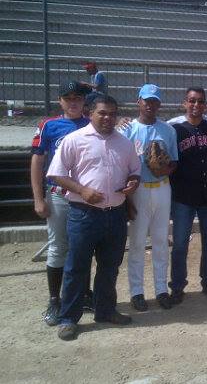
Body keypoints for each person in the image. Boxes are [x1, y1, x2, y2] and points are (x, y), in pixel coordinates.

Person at [46, 94, 141, 341]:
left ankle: (106, 310)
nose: (108, 118)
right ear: (90, 113)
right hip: (83, 215)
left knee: (110, 268)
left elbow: (135, 172)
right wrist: (82, 190)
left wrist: (132, 184)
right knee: (77, 267)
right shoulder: (74, 140)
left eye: (112, 113)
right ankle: (69, 318)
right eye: (102, 113)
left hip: (115, 214)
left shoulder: (124, 143)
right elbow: (56, 174)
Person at [31, 81, 91, 326]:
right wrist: (38, 198)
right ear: (60, 101)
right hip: (59, 194)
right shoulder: (49, 125)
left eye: (77, 97)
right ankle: (55, 299)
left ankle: (83, 294)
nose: (73, 102)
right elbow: (37, 161)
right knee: (58, 247)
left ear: (84, 100)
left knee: (85, 246)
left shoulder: (92, 122)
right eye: (68, 98)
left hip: (85, 195)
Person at [119, 84, 178, 311]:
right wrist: (127, 197)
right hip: (139, 188)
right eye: (146, 100)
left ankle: (161, 289)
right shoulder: (127, 129)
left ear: (159, 103)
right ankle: (137, 292)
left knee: (161, 241)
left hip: (162, 187)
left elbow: (174, 162)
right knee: (137, 242)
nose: (150, 104)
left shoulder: (168, 130)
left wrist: (165, 169)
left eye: (154, 101)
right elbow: (121, 165)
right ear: (138, 102)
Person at [169, 87, 207, 304]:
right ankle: (178, 286)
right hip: (183, 195)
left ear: (205, 105)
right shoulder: (174, 127)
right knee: (180, 243)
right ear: (184, 103)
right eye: (192, 101)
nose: (196, 105)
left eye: (200, 101)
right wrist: (124, 121)